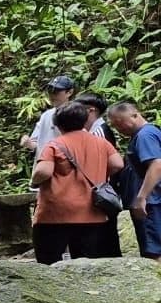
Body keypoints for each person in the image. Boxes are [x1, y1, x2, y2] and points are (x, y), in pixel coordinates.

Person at [31, 102, 121, 263]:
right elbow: (118, 164)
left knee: (48, 264)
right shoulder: (101, 143)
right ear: (85, 121)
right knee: (88, 264)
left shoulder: (55, 145)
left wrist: (34, 181)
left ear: (57, 124)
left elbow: (43, 171)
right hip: (93, 213)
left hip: (55, 214)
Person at [109, 101, 161, 259]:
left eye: (121, 122)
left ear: (135, 114)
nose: (119, 128)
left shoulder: (145, 135)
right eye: (115, 125)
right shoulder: (148, 133)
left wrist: (141, 197)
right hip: (152, 201)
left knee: (154, 252)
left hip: (151, 203)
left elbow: (157, 164)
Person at [24, 75, 79, 157]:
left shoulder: (76, 115)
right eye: (50, 91)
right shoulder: (46, 115)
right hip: (44, 165)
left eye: (56, 91)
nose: (52, 95)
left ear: (69, 92)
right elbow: (36, 144)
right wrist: (28, 143)